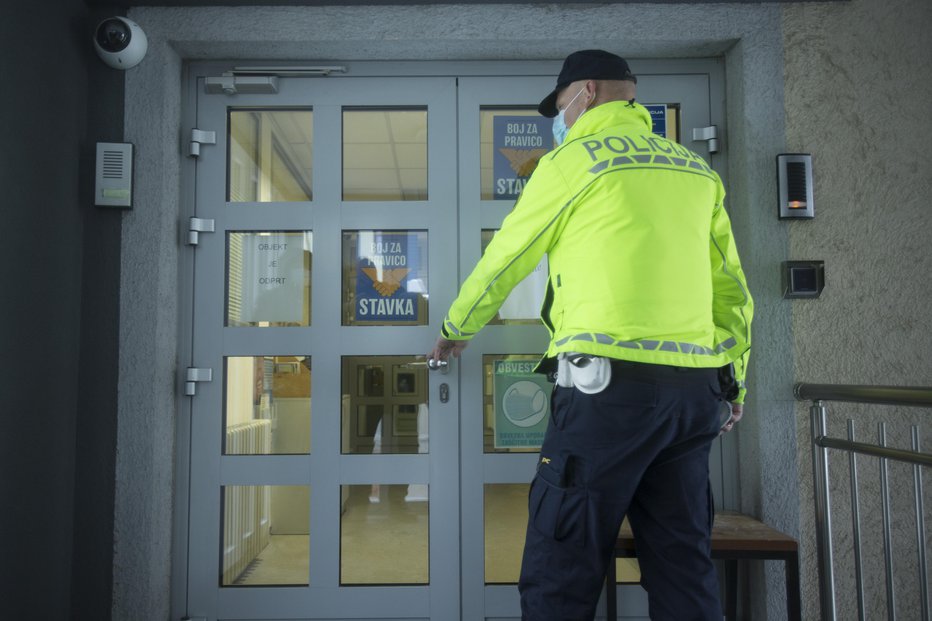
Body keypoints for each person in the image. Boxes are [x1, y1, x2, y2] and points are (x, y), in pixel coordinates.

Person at [428, 49, 753, 621]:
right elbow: (732, 291)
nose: (563, 118)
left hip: (607, 394)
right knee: (683, 564)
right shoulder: (695, 168)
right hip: (693, 397)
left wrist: (458, 327)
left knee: (562, 564)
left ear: (590, 92)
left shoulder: (573, 160)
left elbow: (508, 255)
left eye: (562, 106)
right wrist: (735, 385)